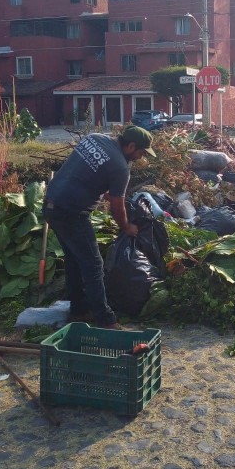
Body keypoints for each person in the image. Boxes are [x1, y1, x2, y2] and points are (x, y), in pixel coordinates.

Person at [44, 125, 156, 329]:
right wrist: (126, 227)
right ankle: (106, 320)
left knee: (74, 260)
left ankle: (78, 310)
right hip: (72, 212)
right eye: (141, 152)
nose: (141, 157)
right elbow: (116, 206)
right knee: (93, 265)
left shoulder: (94, 138)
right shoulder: (121, 167)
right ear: (131, 146)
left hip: (51, 204)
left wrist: (102, 189)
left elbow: (86, 170)